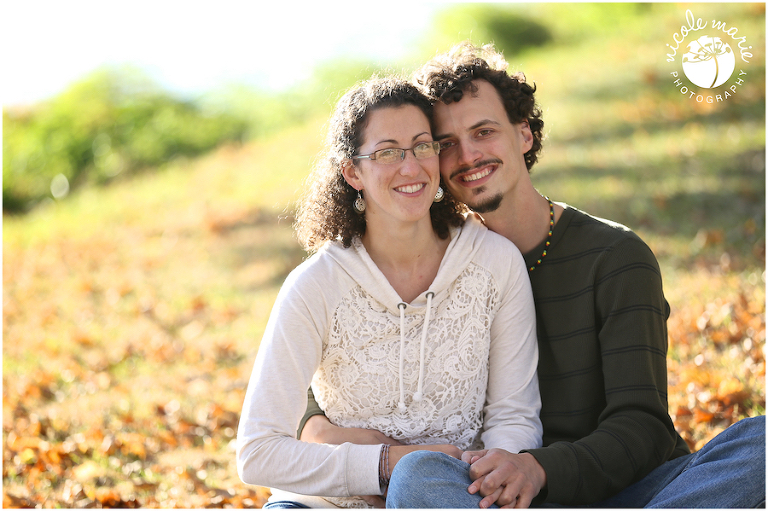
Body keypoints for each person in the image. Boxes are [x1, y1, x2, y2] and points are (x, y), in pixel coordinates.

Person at [299, 44, 766, 508]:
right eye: (444, 145)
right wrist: (315, 423)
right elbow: (332, 377)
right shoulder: (429, 260)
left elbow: (641, 427)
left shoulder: (616, 257)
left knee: (761, 443)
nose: (468, 156)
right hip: (492, 497)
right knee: (419, 478)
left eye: (484, 132)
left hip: (634, 493)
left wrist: (539, 467)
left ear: (523, 134)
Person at [236, 76, 543, 509]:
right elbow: (257, 452)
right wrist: (382, 465)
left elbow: (515, 415)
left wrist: (489, 474)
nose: (411, 166)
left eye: (422, 146)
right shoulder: (315, 285)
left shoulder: (494, 262)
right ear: (352, 172)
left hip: (451, 493)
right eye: (387, 153)